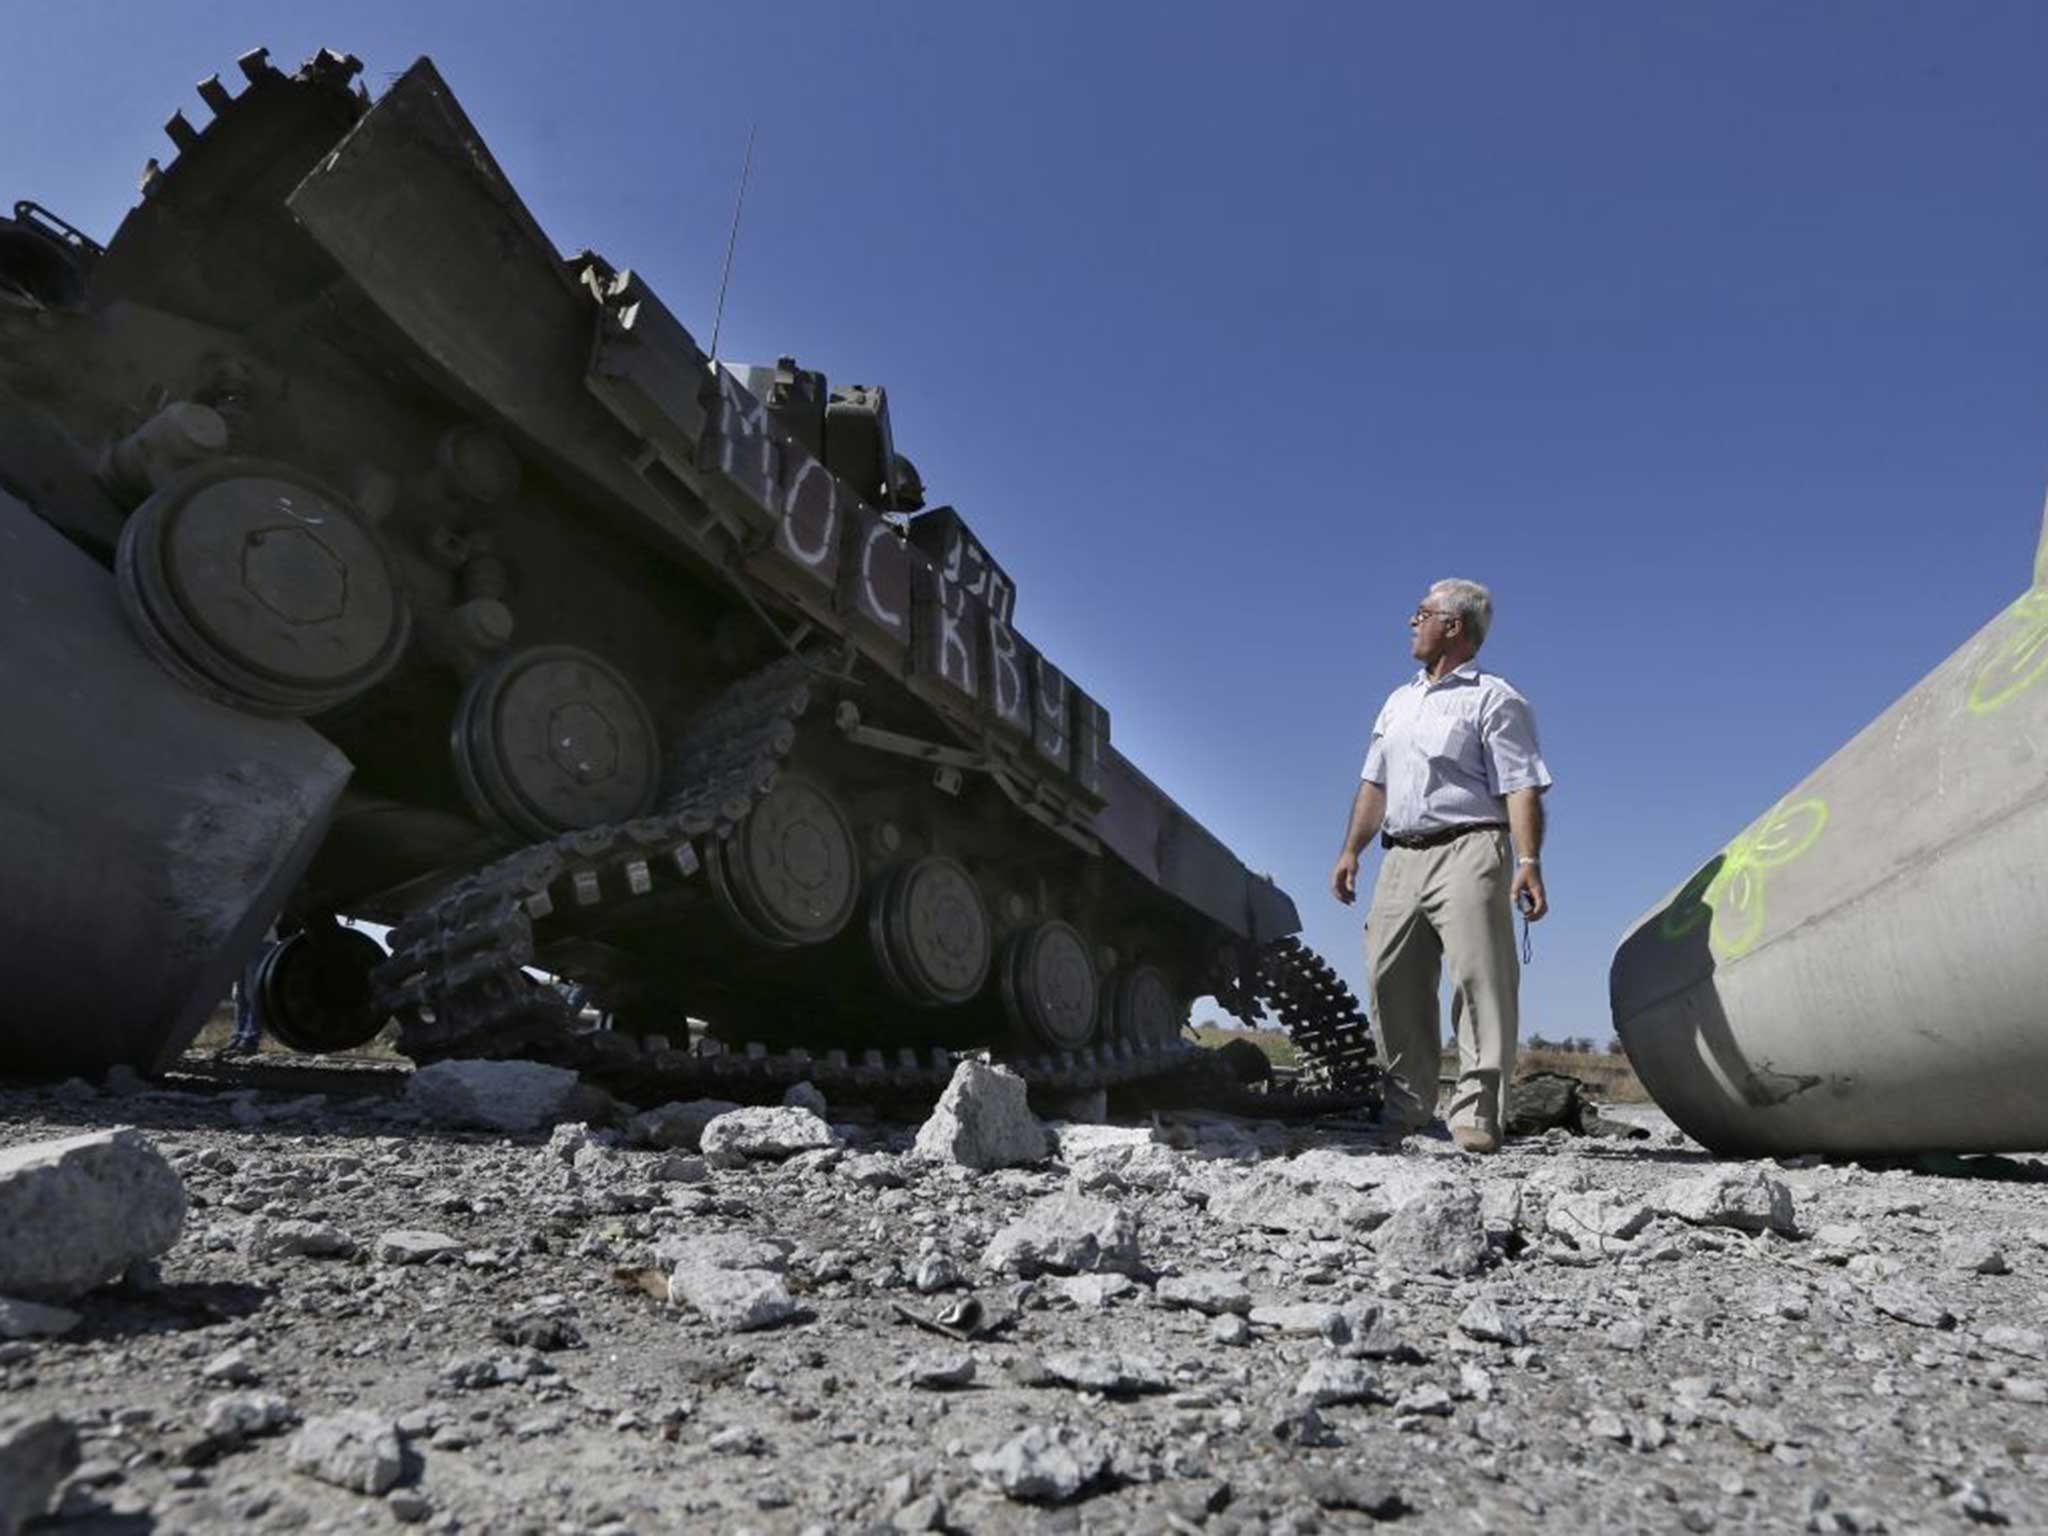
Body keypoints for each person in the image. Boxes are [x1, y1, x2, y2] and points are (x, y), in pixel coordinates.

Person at [1329, 579, 1552, 1153]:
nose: (1411, 623)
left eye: (1421, 614)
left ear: (1453, 626)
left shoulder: (1494, 698)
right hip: (1400, 854)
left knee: (1480, 978)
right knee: (1389, 977)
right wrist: (1352, 848)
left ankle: (1477, 1113)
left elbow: (1522, 785)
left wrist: (1528, 862)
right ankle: (1405, 1106)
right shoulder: (1398, 702)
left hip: (1471, 846)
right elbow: (1374, 784)